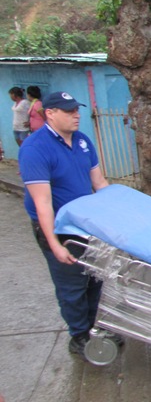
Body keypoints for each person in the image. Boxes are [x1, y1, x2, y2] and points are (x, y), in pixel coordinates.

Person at [18, 91, 117, 358]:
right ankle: (79, 335)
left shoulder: (82, 141)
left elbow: (99, 183)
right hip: (60, 229)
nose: (77, 115)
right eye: (69, 111)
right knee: (72, 286)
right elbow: (42, 203)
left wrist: (116, 219)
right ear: (50, 114)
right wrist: (54, 244)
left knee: (95, 279)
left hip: (88, 224)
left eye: (77, 110)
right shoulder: (35, 149)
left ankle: (96, 326)